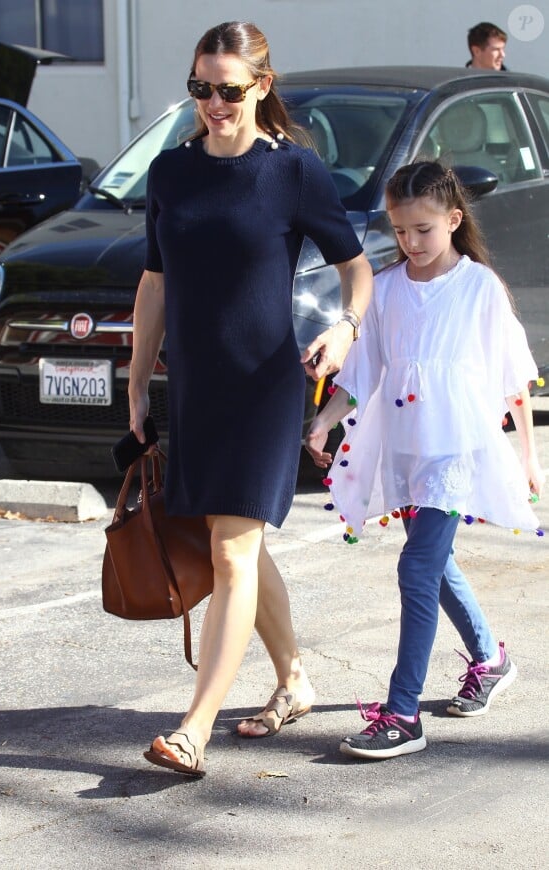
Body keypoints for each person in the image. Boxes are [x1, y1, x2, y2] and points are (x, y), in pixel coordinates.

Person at [129, 20, 373, 776]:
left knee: (232, 551)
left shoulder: (293, 172)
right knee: (235, 543)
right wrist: (137, 381)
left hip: (265, 385)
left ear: (261, 86)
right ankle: (294, 678)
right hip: (198, 388)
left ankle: (194, 728)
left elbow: (356, 268)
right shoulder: (171, 173)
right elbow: (156, 282)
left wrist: (345, 332)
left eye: (228, 90)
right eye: (200, 88)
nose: (212, 103)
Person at [306, 160, 544, 760]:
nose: (411, 242)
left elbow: (514, 379)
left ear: (453, 220)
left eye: (424, 229)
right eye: (400, 229)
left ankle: (402, 712)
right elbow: (365, 372)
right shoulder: (384, 290)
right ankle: (491, 659)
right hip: (405, 448)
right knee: (434, 566)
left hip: (454, 451)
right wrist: (323, 422)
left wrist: (528, 457)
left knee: (416, 569)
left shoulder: (479, 287)